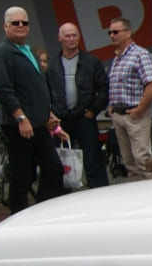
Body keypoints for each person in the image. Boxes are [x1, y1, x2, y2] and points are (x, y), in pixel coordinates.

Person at [0, 7, 65, 212]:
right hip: (20, 127)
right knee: (22, 175)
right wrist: (21, 118)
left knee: (53, 169)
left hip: (39, 124)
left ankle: (40, 212)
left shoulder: (28, 50)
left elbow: (34, 88)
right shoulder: (3, 53)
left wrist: (47, 112)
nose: (21, 26)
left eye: (25, 22)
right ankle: (19, 218)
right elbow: (4, 90)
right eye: (15, 23)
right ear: (5, 26)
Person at [47, 21, 110, 188]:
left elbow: (103, 88)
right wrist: (50, 114)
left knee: (92, 159)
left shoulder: (91, 62)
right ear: (59, 38)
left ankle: (99, 193)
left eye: (74, 35)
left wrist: (94, 110)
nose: (71, 39)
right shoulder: (52, 64)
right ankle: (60, 195)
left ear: (79, 37)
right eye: (67, 36)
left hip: (84, 117)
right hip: (60, 119)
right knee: (59, 158)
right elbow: (45, 91)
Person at [105, 16, 152, 182]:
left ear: (128, 33)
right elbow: (119, 85)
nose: (112, 35)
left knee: (143, 160)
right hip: (119, 114)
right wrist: (112, 106)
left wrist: (140, 109)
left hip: (134, 115)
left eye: (116, 32)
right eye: (110, 32)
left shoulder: (140, 54)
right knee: (129, 163)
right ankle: (137, 198)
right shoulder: (118, 58)